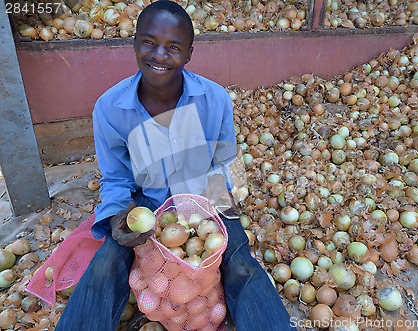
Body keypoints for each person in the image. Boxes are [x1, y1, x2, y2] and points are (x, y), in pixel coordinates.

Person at [54, 1, 295, 330]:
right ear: (135, 42)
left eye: (173, 47)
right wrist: (116, 217)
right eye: (149, 42)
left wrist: (214, 214)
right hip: (147, 203)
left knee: (240, 263)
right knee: (106, 265)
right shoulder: (110, 108)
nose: (159, 55)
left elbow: (225, 166)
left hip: (205, 198)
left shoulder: (215, 99)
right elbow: (115, 179)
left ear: (189, 54)